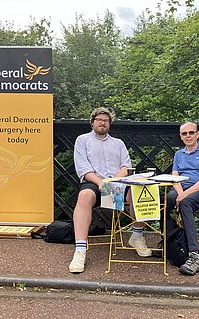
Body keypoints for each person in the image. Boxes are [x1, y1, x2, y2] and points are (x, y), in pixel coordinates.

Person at [69, 107, 151, 274]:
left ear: (110, 124)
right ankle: (80, 250)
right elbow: (83, 168)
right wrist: (101, 183)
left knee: (139, 191)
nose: (102, 123)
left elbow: (125, 166)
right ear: (92, 122)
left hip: (117, 183)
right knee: (84, 196)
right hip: (94, 182)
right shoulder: (82, 140)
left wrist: (113, 182)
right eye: (99, 120)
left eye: (106, 121)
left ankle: (136, 237)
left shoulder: (118, 143)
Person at [161, 122, 199, 276]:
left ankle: (194, 255)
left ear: (197, 134)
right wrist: (179, 193)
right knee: (162, 202)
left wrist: (184, 195)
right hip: (180, 189)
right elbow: (175, 178)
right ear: (181, 137)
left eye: (191, 133)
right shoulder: (178, 154)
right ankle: (170, 242)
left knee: (185, 203)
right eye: (184, 134)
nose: (188, 136)